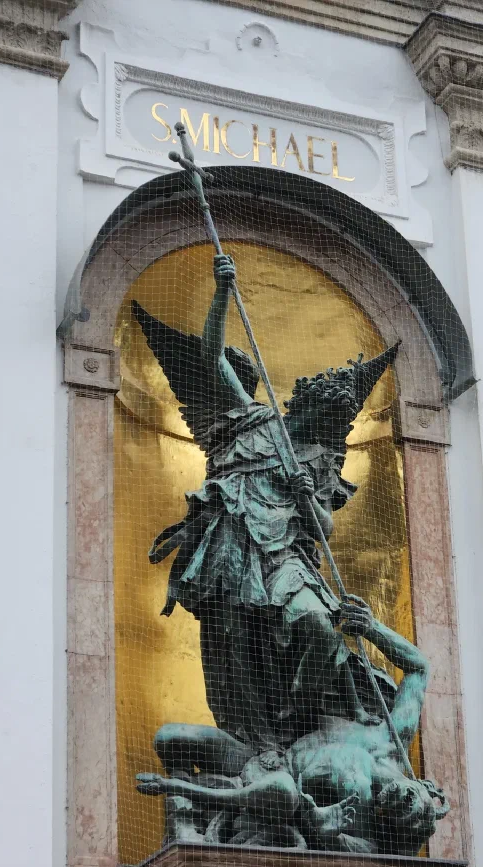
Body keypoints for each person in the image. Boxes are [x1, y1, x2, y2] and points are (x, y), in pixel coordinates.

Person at [132, 254, 399, 752]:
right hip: (231, 545)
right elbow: (209, 358)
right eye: (329, 409)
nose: (333, 420)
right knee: (234, 645)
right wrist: (220, 292)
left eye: (340, 415)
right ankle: (256, 742)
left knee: (318, 627)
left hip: (285, 560)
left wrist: (304, 498)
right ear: (309, 402)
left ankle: (304, 726)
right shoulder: (249, 419)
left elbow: (326, 531)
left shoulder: (318, 459)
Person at [136, 596, 449, 855]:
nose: (405, 805)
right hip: (267, 750)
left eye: (403, 818)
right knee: (171, 740)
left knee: (171, 738)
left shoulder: (360, 811)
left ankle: (184, 825)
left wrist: (322, 829)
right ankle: (184, 823)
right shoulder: (391, 739)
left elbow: (358, 849)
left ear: (388, 821)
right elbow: (418, 669)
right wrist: (371, 628)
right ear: (428, 789)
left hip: (262, 775)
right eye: (417, 805)